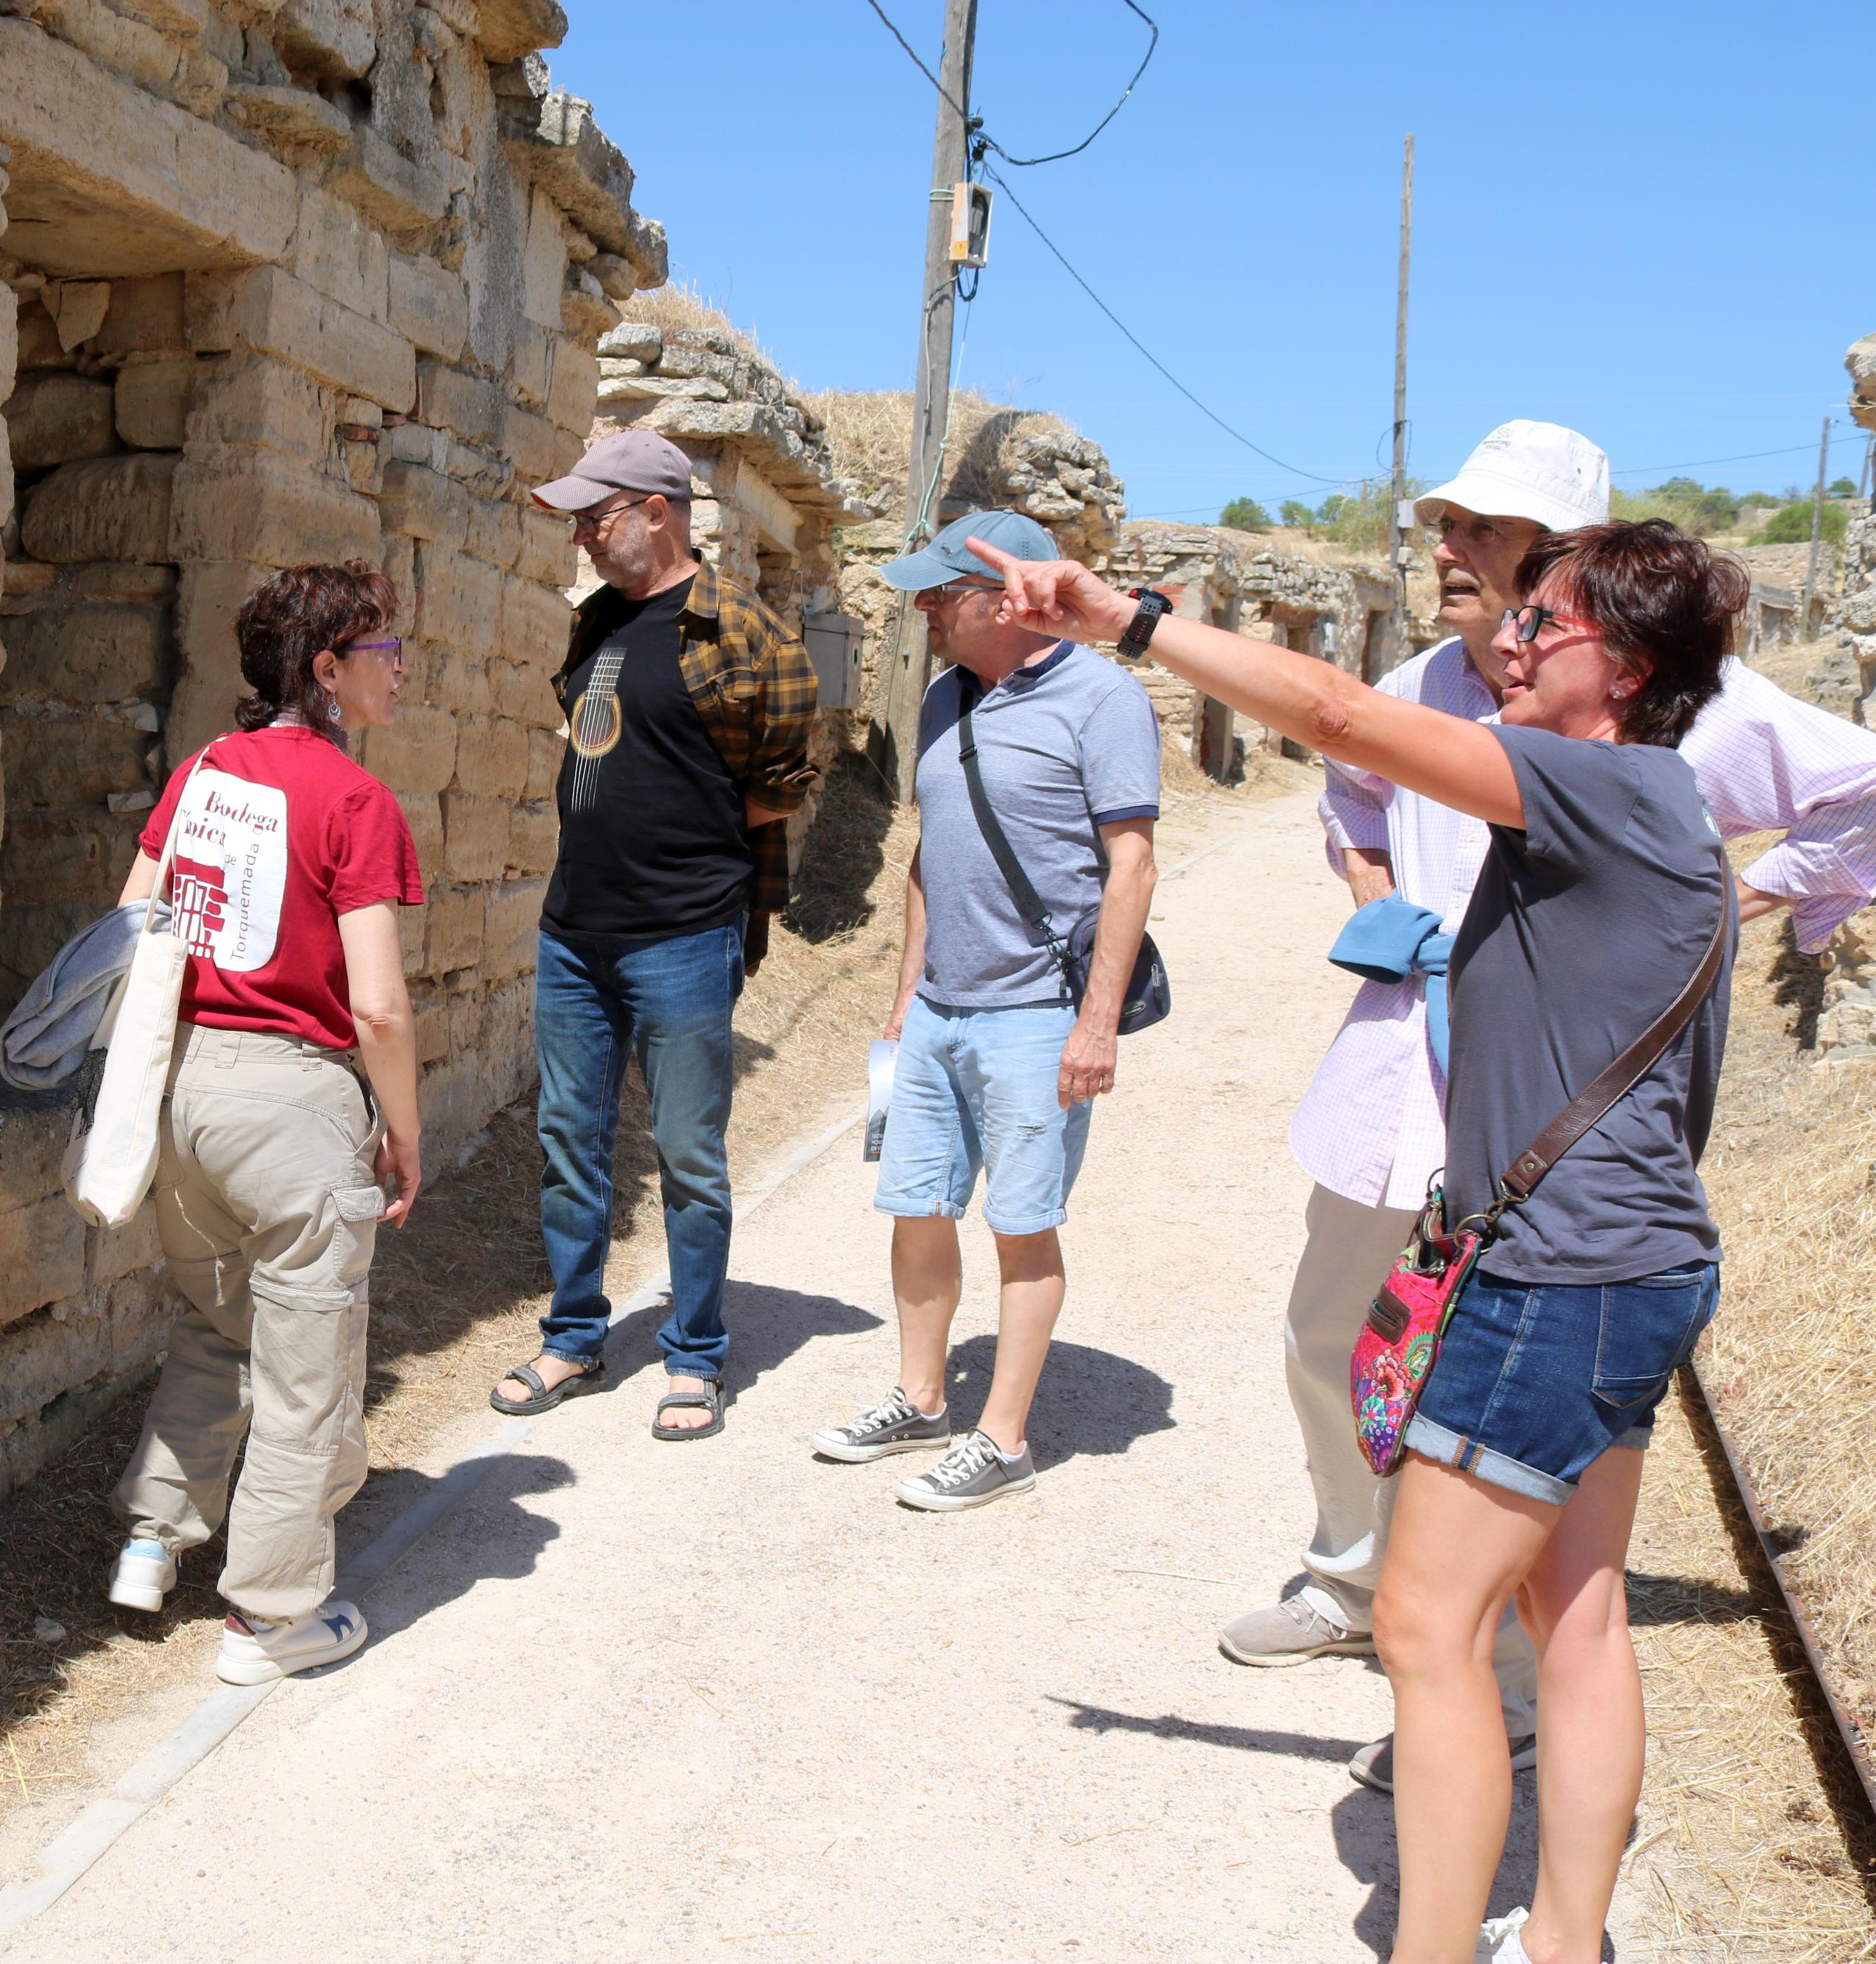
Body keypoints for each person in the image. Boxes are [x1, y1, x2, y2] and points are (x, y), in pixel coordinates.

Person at [969, 519, 1740, 1964]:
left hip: (1556, 1278)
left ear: (1624, 670)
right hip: (1633, 1265)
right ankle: (1565, 1943)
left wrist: (1120, 621)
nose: (1508, 640)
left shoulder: (1589, 785)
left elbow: (1339, 713)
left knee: (1423, 1625)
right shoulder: (1667, 808)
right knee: (1574, 1616)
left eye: (1546, 625)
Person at [1219, 422, 1876, 1795]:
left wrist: (1741, 902)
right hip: (1407, 1074)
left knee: (1500, 1399)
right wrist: (1376, 902)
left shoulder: (1712, 706)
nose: (1448, 549)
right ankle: (1357, 1581)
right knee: (1329, 1334)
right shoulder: (1421, 678)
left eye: (1479, 529)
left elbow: (1863, 786)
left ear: (1562, 560)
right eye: (1447, 521)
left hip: (1545, 1118)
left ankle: (1486, 1677)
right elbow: (1350, 786)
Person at [105, 562, 425, 1688]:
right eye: (384, 649)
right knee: (305, 1369)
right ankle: (271, 1620)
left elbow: (134, 922)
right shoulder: (355, 801)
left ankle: (153, 1542)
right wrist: (405, 1130)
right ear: (327, 669)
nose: (401, 668)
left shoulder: (200, 774)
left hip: (185, 1096)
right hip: (292, 1099)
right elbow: (379, 1003)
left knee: (214, 1323)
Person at [808, 510, 1161, 1511]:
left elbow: (1131, 865)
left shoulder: (1103, 698)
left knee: (1021, 1223)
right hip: (938, 1013)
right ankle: (923, 1399)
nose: (921, 609)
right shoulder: (941, 698)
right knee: (917, 1207)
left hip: (1037, 1014)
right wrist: (902, 998)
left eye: (939, 593)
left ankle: (1001, 1440)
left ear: (1006, 598)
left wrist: (1096, 1025)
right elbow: (931, 854)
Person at [488, 429, 817, 1441]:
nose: (584, 533)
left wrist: (686, 858)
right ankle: (575, 1337)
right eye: (581, 518)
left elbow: (782, 785)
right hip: (574, 932)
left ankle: (697, 1354)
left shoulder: (748, 633)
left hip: (682, 935)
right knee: (570, 1144)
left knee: (686, 1154)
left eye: (599, 513)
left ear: (658, 512)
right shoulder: (593, 625)